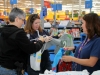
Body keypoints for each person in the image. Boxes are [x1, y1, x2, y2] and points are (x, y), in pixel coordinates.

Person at [0, 7, 45, 75]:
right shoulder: (19, 33)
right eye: (23, 20)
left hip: (2, 67)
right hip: (13, 70)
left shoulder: (2, 30)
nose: (23, 23)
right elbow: (31, 49)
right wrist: (41, 41)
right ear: (17, 19)